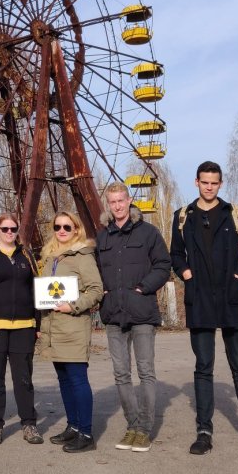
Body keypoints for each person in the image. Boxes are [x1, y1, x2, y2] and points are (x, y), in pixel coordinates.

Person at [170, 161, 238, 456]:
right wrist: (186, 274)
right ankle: (204, 430)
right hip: (200, 299)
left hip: (231, 299)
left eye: (214, 183)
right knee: (203, 367)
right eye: (205, 182)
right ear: (196, 183)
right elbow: (176, 254)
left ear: (220, 184)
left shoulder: (235, 214)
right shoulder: (182, 216)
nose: (209, 187)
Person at [96, 182, 171, 453]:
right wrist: (100, 290)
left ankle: (144, 429)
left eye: (121, 200)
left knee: (146, 371)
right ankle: (132, 425)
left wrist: (144, 287)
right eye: (112, 201)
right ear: (108, 204)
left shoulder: (148, 233)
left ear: (129, 200)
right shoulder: (102, 238)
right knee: (121, 373)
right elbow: (94, 271)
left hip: (141, 313)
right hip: (113, 314)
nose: (117, 206)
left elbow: (164, 265)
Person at [0, 212, 42, 446]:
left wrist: (37, 324)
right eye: (5, 229)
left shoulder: (27, 257)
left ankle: (29, 423)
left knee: (23, 378)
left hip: (23, 327)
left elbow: (36, 291)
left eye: (13, 229)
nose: (10, 233)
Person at [38, 211, 104, 453]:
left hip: (74, 327)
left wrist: (73, 306)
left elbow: (96, 290)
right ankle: (73, 426)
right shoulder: (50, 257)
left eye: (68, 226)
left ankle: (86, 433)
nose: (62, 231)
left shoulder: (83, 256)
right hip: (53, 328)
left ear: (77, 229)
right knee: (64, 381)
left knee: (78, 380)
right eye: (58, 227)